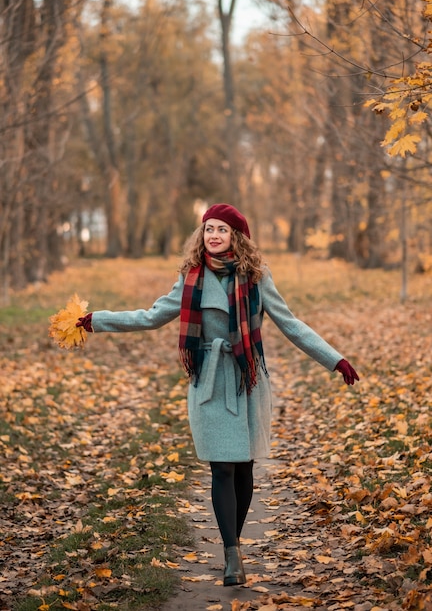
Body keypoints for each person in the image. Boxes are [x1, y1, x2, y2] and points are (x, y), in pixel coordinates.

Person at [77, 203, 359, 587]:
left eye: (221, 230)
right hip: (208, 380)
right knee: (221, 466)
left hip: (247, 378)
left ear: (236, 237)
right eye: (208, 228)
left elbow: (290, 324)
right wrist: (98, 321)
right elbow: (151, 315)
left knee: (244, 468)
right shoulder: (190, 278)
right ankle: (231, 554)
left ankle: (235, 543)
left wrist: (334, 359)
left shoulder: (257, 277)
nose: (213, 235)